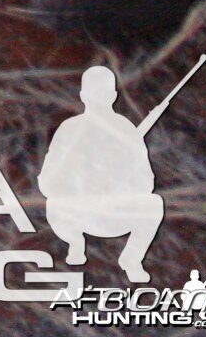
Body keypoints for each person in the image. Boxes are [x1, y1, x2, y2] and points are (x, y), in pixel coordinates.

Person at [38, 63, 167, 283]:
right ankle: (75, 244)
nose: (98, 98)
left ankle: (132, 259)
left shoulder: (125, 130)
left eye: (103, 93)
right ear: (83, 95)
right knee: (52, 204)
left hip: (115, 214)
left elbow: (147, 181)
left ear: (113, 95)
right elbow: (46, 182)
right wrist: (77, 179)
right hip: (77, 214)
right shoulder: (69, 130)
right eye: (93, 93)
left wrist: (119, 181)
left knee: (153, 204)